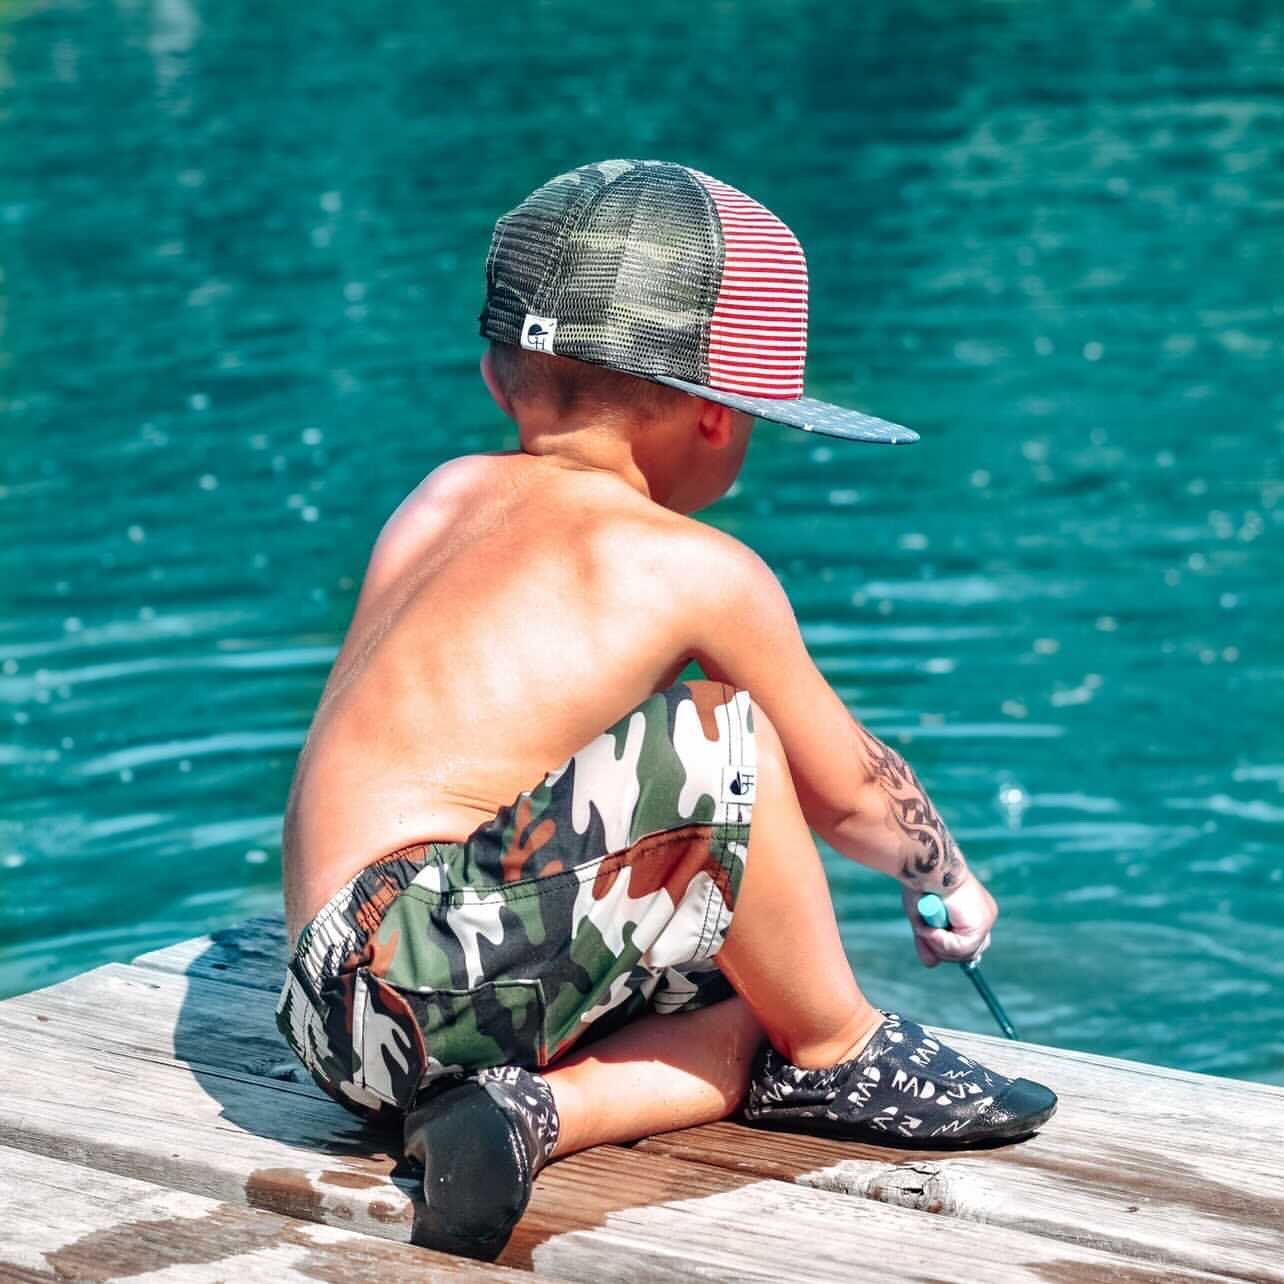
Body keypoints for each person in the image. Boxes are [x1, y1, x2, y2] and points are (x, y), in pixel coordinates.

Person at [274, 159, 1056, 1261]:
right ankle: (841, 1051)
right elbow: (849, 795)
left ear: (502, 380)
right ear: (713, 417)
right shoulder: (691, 568)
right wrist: (946, 880)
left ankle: (520, 1117)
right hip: (427, 959)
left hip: (331, 1006)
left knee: (741, 997)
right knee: (725, 727)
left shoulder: (438, 497)